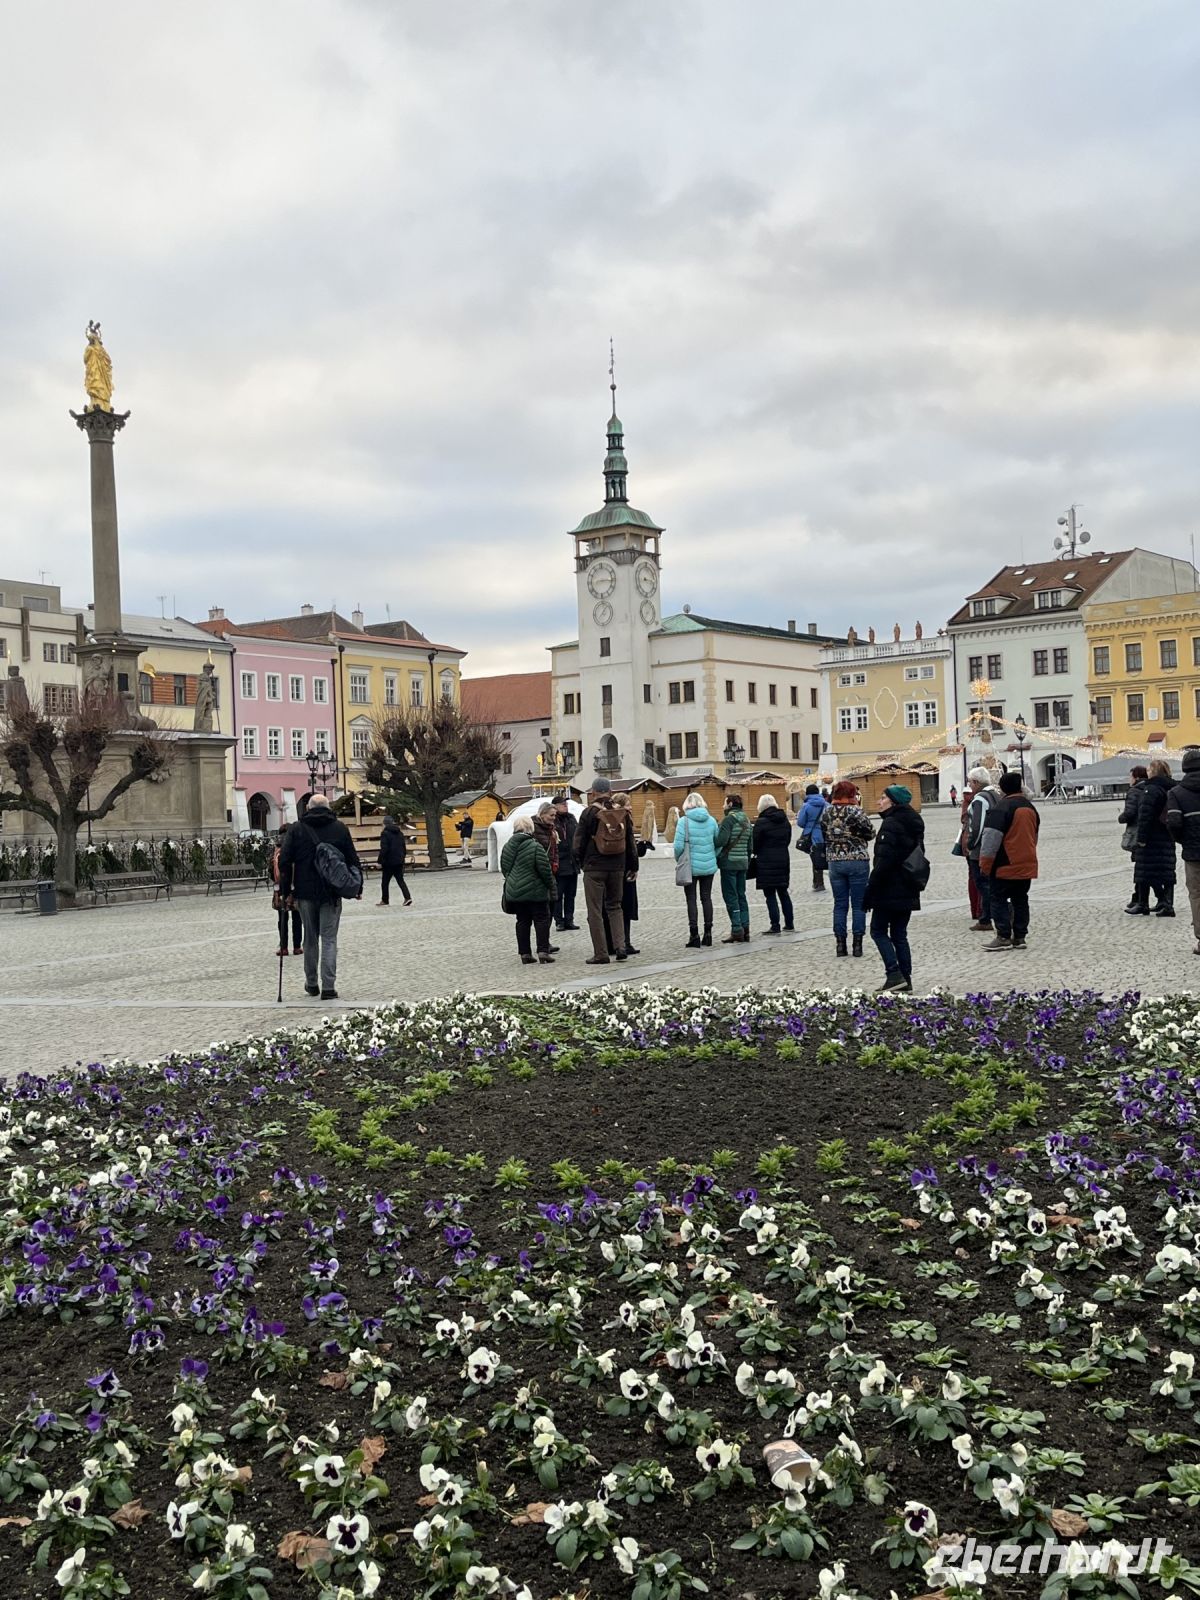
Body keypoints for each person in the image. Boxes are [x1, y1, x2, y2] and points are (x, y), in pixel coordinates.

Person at [277, 793, 362, 1000]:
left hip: (305, 893)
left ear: (308, 808)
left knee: (310, 938)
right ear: (328, 807)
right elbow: (352, 858)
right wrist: (357, 887)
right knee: (330, 939)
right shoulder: (339, 828)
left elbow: (285, 862)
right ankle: (329, 987)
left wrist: (286, 891)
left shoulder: (297, 829)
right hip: (332, 892)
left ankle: (312, 983)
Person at [863, 784, 925, 991]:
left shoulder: (891, 824)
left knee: (878, 931)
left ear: (893, 802)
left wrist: (870, 891)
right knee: (899, 933)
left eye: (883, 798)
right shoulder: (914, 822)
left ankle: (894, 973)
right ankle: (905, 979)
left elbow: (884, 862)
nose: (879, 802)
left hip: (889, 887)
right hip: (908, 885)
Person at [574, 777, 637, 964]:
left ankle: (601, 953)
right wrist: (633, 866)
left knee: (595, 911)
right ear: (610, 792)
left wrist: (580, 863)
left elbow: (578, 842)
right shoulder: (621, 813)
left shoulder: (588, 813)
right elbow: (631, 842)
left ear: (593, 792)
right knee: (615, 907)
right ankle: (621, 946)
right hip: (617, 866)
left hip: (594, 868)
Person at [979, 771, 1040, 950]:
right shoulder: (1030, 807)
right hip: (1026, 861)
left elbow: (991, 839)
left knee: (997, 898)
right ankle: (1020, 936)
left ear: (1003, 788)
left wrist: (985, 863)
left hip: (1005, 863)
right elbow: (1034, 836)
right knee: (1020, 899)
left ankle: (1003, 936)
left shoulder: (1001, 808)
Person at [823, 780, 874, 957]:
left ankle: (840, 944)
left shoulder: (827, 812)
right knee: (858, 904)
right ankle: (858, 944)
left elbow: (823, 833)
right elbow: (870, 832)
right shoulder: (856, 811)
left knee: (839, 904)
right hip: (857, 859)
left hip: (835, 861)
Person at [500, 815, 556, 964]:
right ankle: (543, 951)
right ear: (530, 828)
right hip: (535, 890)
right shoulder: (535, 846)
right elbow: (544, 870)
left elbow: (505, 869)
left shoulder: (507, 847)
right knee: (541, 919)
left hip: (515, 891)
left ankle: (525, 953)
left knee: (522, 921)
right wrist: (551, 886)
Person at [1129, 758, 1177, 917]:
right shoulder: (1172, 787)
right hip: (1167, 834)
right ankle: (1166, 902)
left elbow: (1145, 815)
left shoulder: (1151, 789)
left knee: (1145, 869)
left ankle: (1145, 903)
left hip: (1151, 836)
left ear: (1152, 772)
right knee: (1166, 870)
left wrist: (1141, 838)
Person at [674, 791, 720, 947]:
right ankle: (708, 933)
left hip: (690, 867)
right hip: (708, 865)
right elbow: (718, 842)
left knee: (691, 899)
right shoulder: (712, 821)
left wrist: (679, 859)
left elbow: (678, 846)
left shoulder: (683, 821)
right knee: (706, 898)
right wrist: (713, 856)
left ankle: (694, 935)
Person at [603, 795, 647, 955]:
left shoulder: (606, 817)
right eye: (628, 804)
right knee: (624, 907)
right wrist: (634, 866)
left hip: (609, 867)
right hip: (625, 867)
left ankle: (611, 943)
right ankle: (624, 942)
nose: (630, 807)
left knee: (611, 906)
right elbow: (630, 848)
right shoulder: (624, 818)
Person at [1166, 749, 1200, 952]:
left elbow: (1174, 823)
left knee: (1196, 894)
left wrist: (1183, 841)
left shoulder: (1176, 793)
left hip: (1193, 852)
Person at [964, 766, 1002, 931]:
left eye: (970, 782)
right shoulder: (996, 795)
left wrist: (971, 843)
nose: (969, 785)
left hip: (980, 849)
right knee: (991, 883)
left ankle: (987, 918)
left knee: (983, 884)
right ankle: (992, 914)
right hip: (996, 845)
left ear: (976, 782)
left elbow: (977, 825)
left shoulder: (980, 799)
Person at [753, 794, 794, 934]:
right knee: (783, 892)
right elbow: (788, 839)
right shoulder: (784, 820)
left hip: (765, 861)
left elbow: (755, 844)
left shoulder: (761, 822)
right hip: (783, 858)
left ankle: (775, 925)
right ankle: (789, 923)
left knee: (770, 894)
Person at [715, 794, 753, 942]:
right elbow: (750, 845)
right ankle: (746, 927)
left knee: (731, 896)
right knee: (741, 895)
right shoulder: (747, 819)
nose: (723, 806)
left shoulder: (728, 820)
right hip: (743, 862)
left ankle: (737, 929)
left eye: (725, 803)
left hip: (729, 863)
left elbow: (721, 841)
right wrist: (747, 861)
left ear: (730, 804)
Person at [1118, 765, 1150, 912]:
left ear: (1136, 777)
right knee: (1145, 866)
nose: (1129, 779)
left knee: (1141, 867)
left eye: (1130, 776)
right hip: (1148, 831)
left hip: (1137, 832)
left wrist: (1121, 817)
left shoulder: (1134, 791)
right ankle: (1137, 897)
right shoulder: (1149, 788)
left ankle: (1141, 899)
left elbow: (1130, 812)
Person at [271, 824, 303, 957]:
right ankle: (297, 946)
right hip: (295, 886)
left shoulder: (277, 848)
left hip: (280, 888)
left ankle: (283, 947)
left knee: (282, 918)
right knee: (297, 917)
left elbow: (270, 870)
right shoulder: (296, 846)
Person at [551, 795, 579, 931]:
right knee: (558, 895)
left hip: (572, 862)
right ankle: (559, 921)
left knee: (571, 894)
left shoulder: (571, 819)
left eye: (565, 803)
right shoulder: (552, 821)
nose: (565, 806)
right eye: (562, 804)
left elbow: (578, 835)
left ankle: (569, 919)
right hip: (560, 863)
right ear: (555, 806)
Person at [797, 784, 829, 891]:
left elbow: (800, 822)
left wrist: (810, 825)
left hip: (813, 836)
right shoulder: (827, 805)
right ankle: (825, 881)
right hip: (826, 835)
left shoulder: (806, 806)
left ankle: (818, 883)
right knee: (825, 856)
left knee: (815, 857)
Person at [377, 814, 413, 907]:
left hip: (389, 862)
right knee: (401, 880)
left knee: (385, 882)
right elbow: (403, 847)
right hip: (399, 860)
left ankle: (385, 900)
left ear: (385, 824)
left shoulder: (385, 833)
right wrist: (402, 857)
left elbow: (384, 848)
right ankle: (407, 897)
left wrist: (380, 861)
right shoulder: (400, 833)